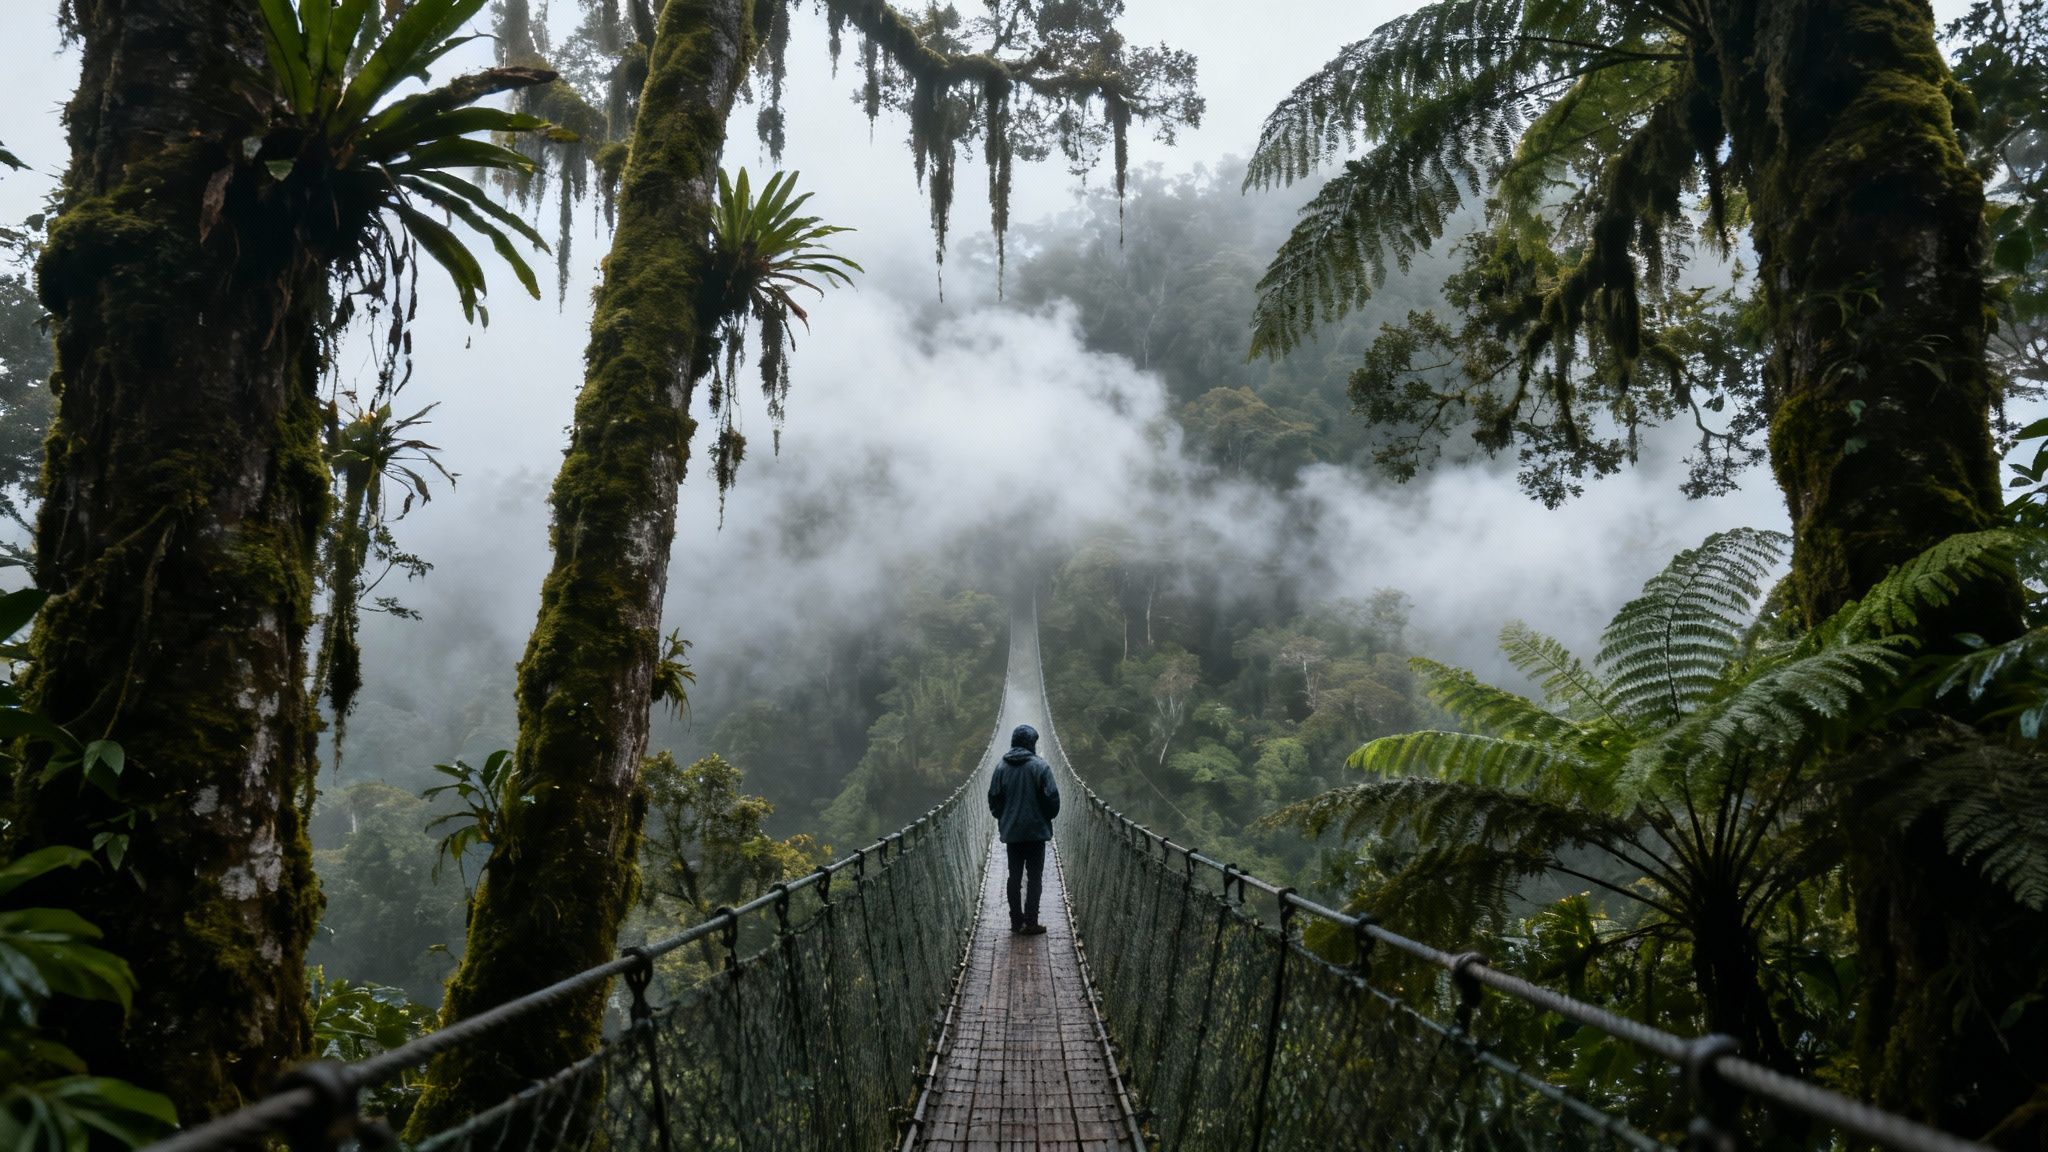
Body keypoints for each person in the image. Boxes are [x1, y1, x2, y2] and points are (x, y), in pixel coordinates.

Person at [987, 723, 1061, 935]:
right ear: (1030, 743)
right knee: (1035, 878)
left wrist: (1004, 817)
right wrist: (1046, 817)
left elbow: (993, 798)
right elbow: (1052, 799)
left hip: (1012, 833)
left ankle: (1015, 921)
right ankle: (1031, 922)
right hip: (1037, 833)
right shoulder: (1041, 767)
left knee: (1014, 877)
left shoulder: (1001, 767)